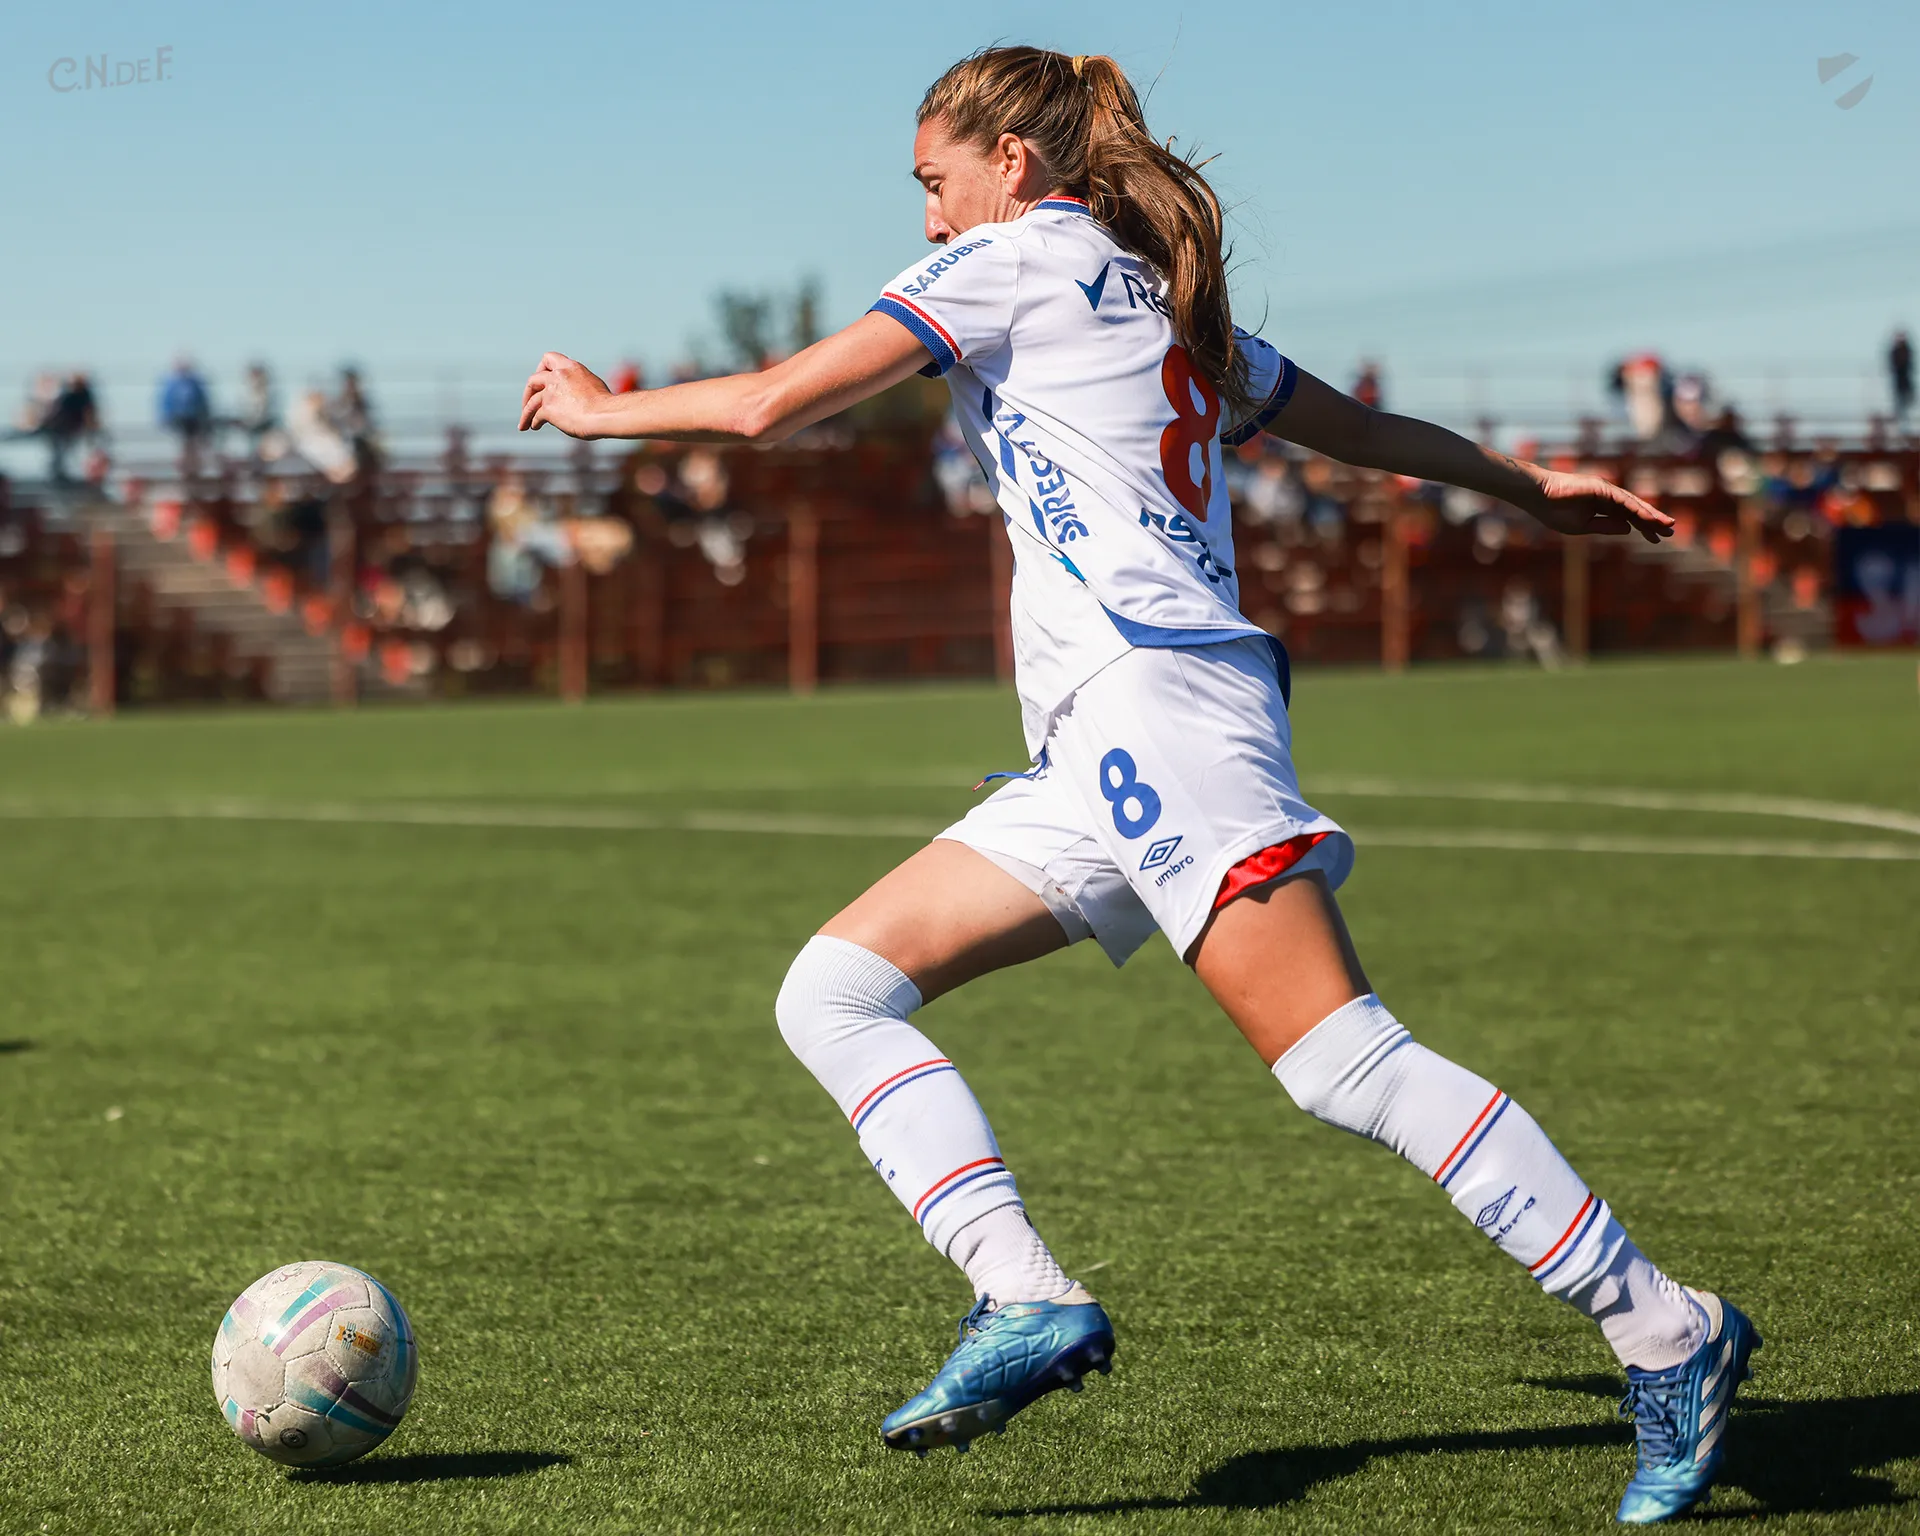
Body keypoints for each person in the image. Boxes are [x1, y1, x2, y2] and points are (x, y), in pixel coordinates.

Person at [518, 46, 1754, 1525]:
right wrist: (1528, 487)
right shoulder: (1154, 293)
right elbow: (1354, 429)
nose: (928, 217)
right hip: (1099, 744)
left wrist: (599, 412)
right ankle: (1023, 1294)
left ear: (1013, 164)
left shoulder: (1011, 261)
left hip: (1160, 708)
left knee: (1343, 1062)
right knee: (832, 992)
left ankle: (1665, 1329)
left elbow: (774, 403)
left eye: (934, 181)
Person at [1889, 330, 1914, 421]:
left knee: (1907, 400)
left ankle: (1904, 417)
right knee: (1900, 401)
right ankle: (1900, 416)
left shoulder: (1906, 350)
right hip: (1899, 380)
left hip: (1905, 379)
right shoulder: (1896, 351)